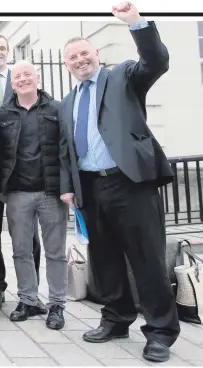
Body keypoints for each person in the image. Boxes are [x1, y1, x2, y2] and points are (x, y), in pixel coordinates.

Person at [58, 2, 180, 362]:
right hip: (91, 189)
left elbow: (156, 61)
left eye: (84, 53)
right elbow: (66, 149)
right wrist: (69, 187)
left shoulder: (123, 76)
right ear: (66, 65)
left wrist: (137, 24)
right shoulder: (68, 102)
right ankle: (116, 317)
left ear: (95, 54)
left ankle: (160, 331)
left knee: (146, 260)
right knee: (106, 259)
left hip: (130, 183)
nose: (80, 60)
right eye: (72, 58)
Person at [0, 34, 44, 311]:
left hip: (21, 170)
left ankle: (31, 292)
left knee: (28, 235)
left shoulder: (23, 77)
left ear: (8, 51)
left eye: (2, 48)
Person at [0, 60, 68, 330]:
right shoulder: (3, 112)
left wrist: (68, 187)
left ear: (37, 77)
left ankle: (57, 304)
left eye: (28, 74)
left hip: (51, 192)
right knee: (21, 251)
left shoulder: (56, 108)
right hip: (17, 193)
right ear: (12, 82)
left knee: (55, 252)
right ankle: (28, 299)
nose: (23, 79)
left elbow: (66, 149)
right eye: (18, 76)